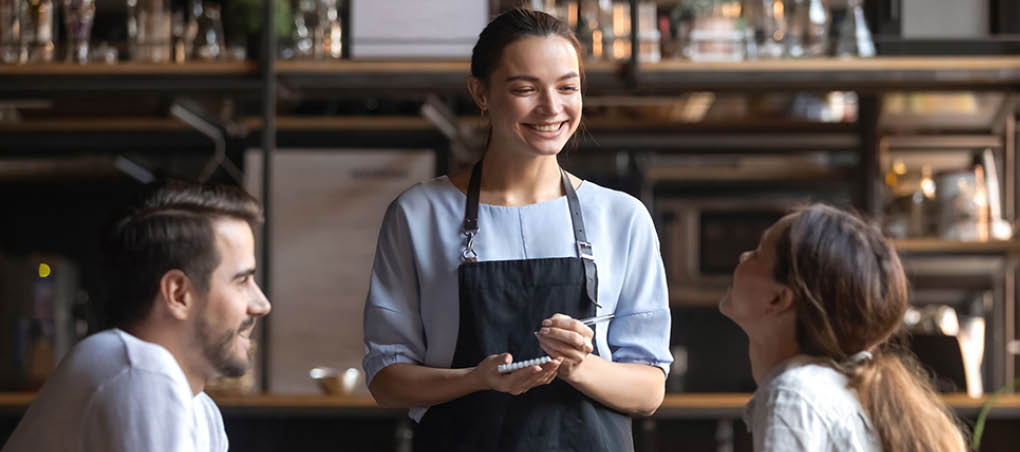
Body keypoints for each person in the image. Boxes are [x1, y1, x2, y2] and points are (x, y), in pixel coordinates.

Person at [362, 8, 672, 452]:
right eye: (526, 89)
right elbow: (387, 381)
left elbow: (649, 390)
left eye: (568, 87)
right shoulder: (419, 214)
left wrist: (577, 366)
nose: (551, 107)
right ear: (480, 93)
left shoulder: (622, 217)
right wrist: (476, 378)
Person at [2, 180, 271, 452]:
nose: (261, 304)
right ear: (178, 294)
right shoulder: (142, 372)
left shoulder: (200, 411)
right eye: (242, 281)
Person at [720, 204, 968, 452]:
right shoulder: (833, 389)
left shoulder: (793, 395)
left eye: (758, 254)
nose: (743, 256)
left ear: (778, 299)